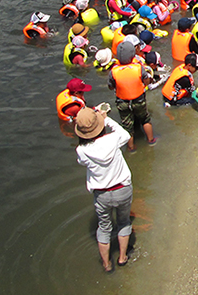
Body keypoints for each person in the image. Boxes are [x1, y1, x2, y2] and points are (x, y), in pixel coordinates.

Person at [74, 107, 134, 272]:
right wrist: (105, 118)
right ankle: (122, 257)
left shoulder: (82, 150)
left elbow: (82, 162)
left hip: (101, 194)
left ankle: (107, 264)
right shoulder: (113, 139)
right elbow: (126, 134)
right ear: (99, 126)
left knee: (104, 227)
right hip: (122, 188)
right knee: (123, 222)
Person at [108, 41, 156, 150]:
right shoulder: (138, 68)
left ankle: (131, 148)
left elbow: (111, 86)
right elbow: (146, 81)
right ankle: (151, 140)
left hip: (123, 102)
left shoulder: (114, 71)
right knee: (145, 119)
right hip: (138, 100)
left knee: (127, 126)